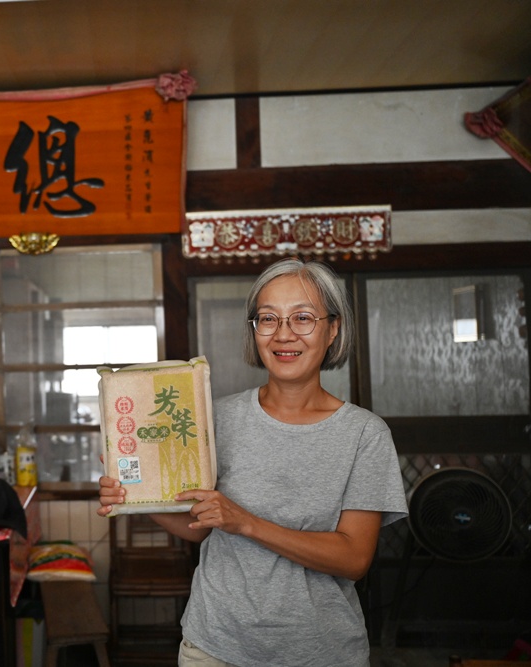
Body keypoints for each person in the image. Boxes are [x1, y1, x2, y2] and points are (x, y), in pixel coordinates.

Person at [98, 257, 408, 667]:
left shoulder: (365, 435)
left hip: (321, 652)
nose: (283, 334)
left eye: (302, 318)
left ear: (333, 329)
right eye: (268, 319)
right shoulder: (215, 419)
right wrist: (131, 496)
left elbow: (354, 559)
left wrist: (246, 522)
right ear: (254, 330)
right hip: (214, 647)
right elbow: (200, 527)